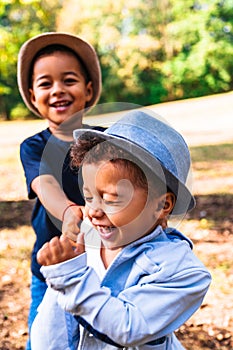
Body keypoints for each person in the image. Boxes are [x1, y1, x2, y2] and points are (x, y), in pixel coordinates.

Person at [31, 110, 211, 349]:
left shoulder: (183, 273)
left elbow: (128, 328)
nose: (93, 211)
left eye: (112, 199)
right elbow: (54, 326)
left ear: (162, 205)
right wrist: (60, 271)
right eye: (89, 197)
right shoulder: (86, 243)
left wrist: (70, 277)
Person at [17, 32, 104, 349]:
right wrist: (70, 211)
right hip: (51, 268)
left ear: (88, 89)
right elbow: (45, 185)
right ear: (32, 94)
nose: (58, 90)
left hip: (104, 265)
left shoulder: (109, 141)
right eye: (45, 83)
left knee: (104, 336)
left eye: (69, 80)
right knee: (46, 339)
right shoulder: (34, 147)